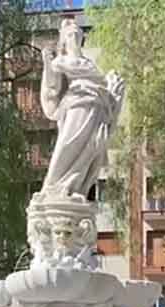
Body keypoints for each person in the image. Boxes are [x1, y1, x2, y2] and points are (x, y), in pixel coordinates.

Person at [39, 19, 126, 198]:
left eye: (78, 34)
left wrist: (113, 91)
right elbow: (52, 86)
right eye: (71, 35)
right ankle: (53, 186)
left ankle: (75, 187)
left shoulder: (90, 63)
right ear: (64, 40)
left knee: (90, 148)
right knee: (68, 144)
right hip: (76, 104)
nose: (75, 38)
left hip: (97, 107)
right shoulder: (60, 61)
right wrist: (47, 64)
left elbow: (102, 84)